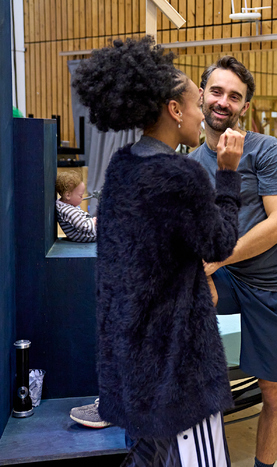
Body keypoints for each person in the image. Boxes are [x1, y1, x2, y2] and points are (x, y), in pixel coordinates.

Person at [72, 36, 243, 467]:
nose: (202, 113)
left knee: (146, 451)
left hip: (130, 347)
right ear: (173, 109)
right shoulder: (181, 174)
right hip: (175, 356)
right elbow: (220, 242)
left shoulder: (124, 164)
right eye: (196, 103)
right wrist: (226, 176)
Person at [188, 56, 277, 467]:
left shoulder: (266, 150)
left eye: (234, 96)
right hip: (231, 276)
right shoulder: (192, 165)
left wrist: (214, 262)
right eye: (217, 91)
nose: (224, 101)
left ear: (245, 107)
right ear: (201, 95)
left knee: (275, 391)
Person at [55, 171, 96, 242]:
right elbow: (84, 226)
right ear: (68, 195)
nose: (82, 198)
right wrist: (94, 221)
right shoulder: (68, 210)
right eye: (80, 195)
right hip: (89, 235)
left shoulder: (65, 206)